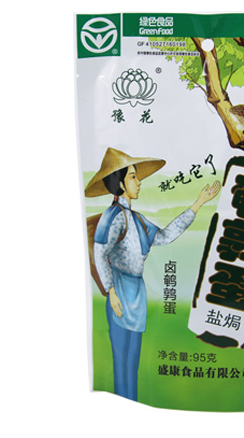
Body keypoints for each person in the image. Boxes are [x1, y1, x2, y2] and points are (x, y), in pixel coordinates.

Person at [84, 147, 220, 401]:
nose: (139, 182)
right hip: (120, 290)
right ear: (120, 183)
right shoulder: (113, 216)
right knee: (122, 360)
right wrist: (110, 291)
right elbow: (100, 252)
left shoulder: (137, 219)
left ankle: (131, 403)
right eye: (133, 176)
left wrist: (198, 203)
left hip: (136, 292)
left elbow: (164, 236)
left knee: (133, 360)